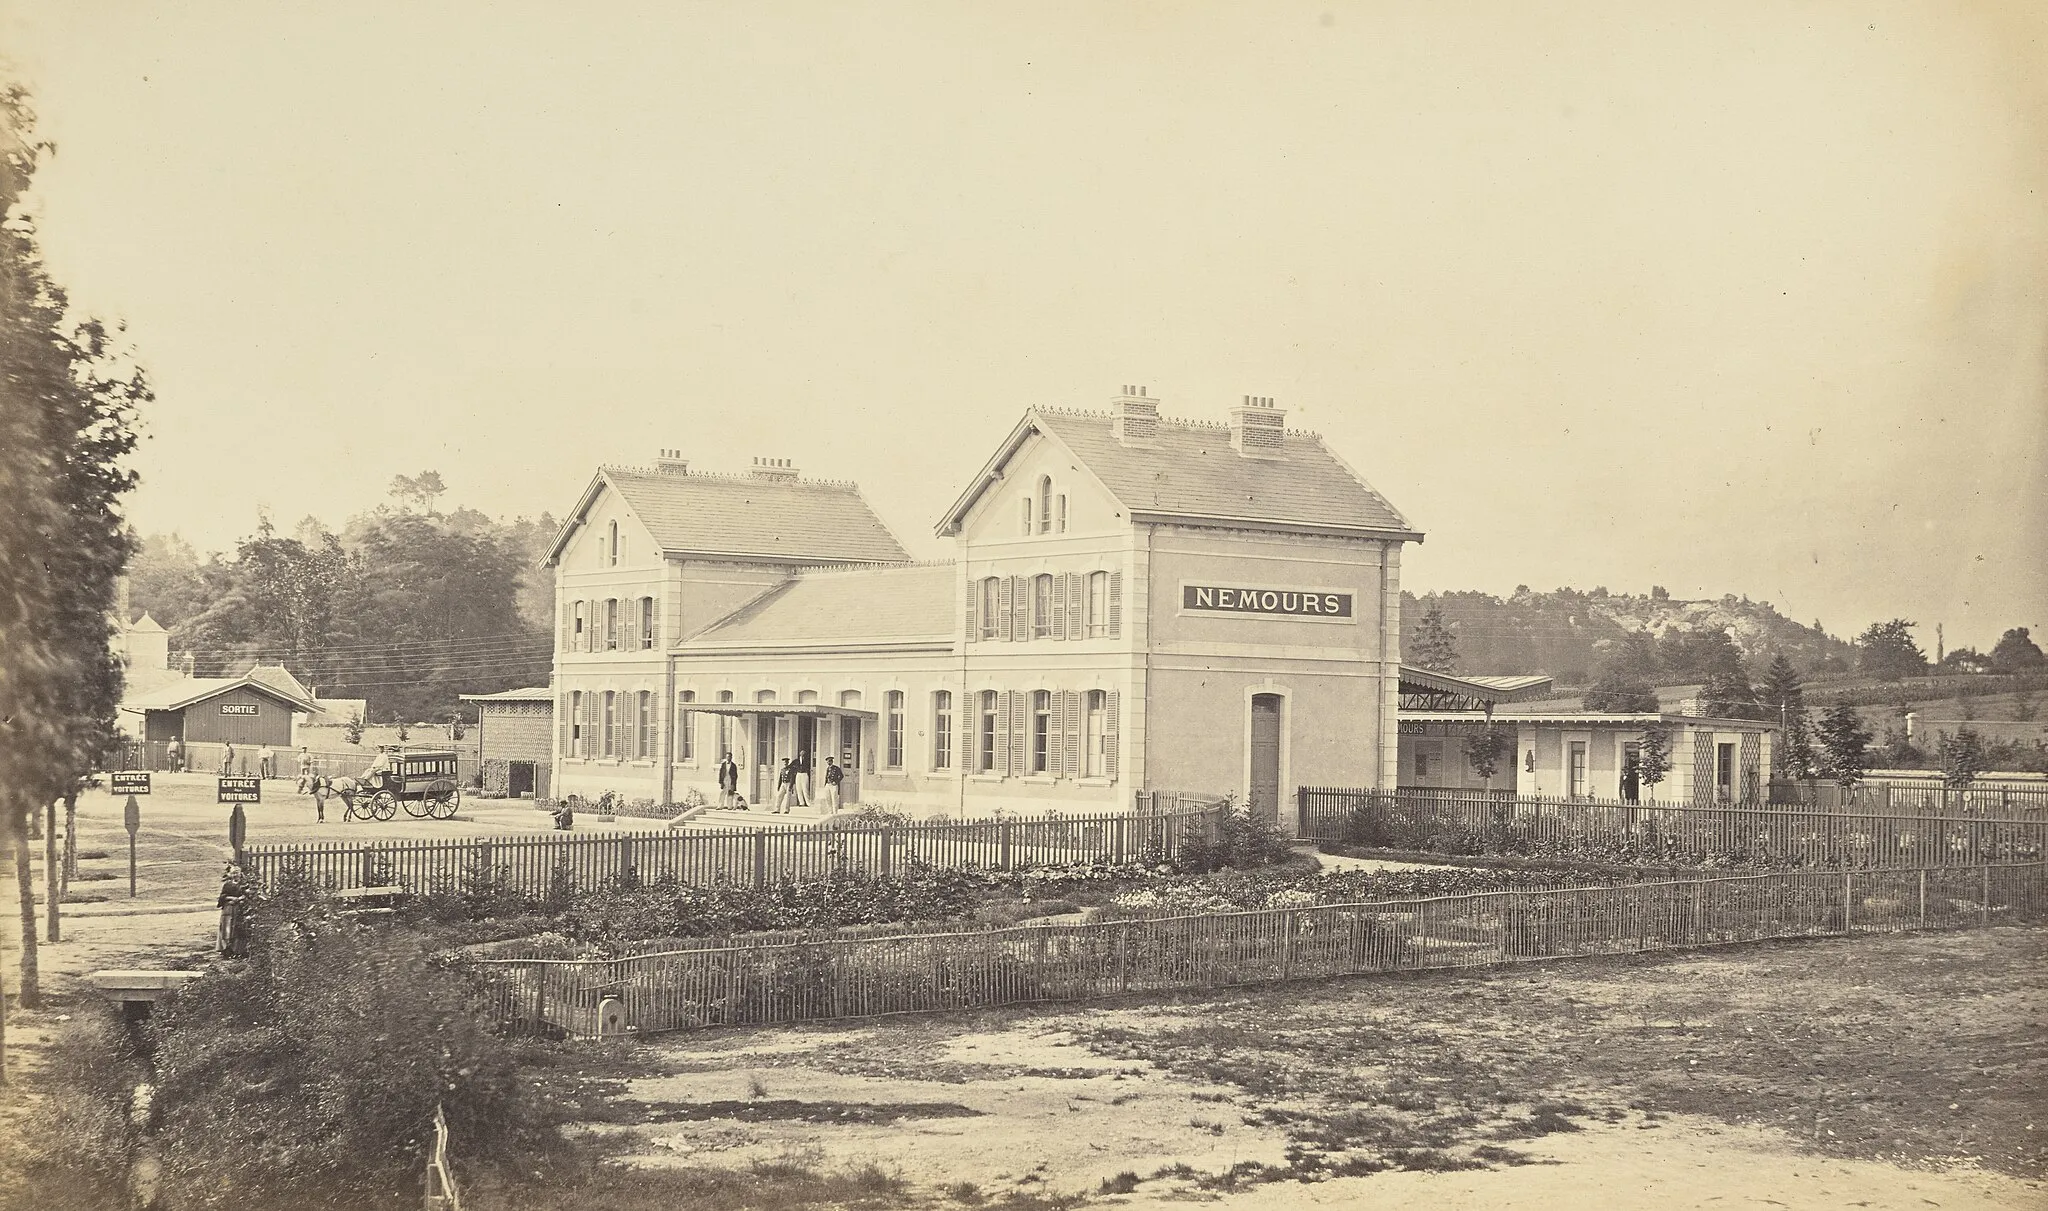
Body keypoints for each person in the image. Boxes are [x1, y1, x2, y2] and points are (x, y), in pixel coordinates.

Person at [216, 864, 250, 958]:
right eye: (233, 873)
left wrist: (239, 899)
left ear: (240, 873)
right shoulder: (227, 885)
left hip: (239, 908)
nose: (235, 875)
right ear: (230, 874)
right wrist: (230, 898)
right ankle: (226, 949)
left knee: (237, 928)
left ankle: (237, 950)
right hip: (228, 909)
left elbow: (247, 895)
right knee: (226, 928)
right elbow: (222, 897)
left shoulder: (244, 884)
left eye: (237, 873)